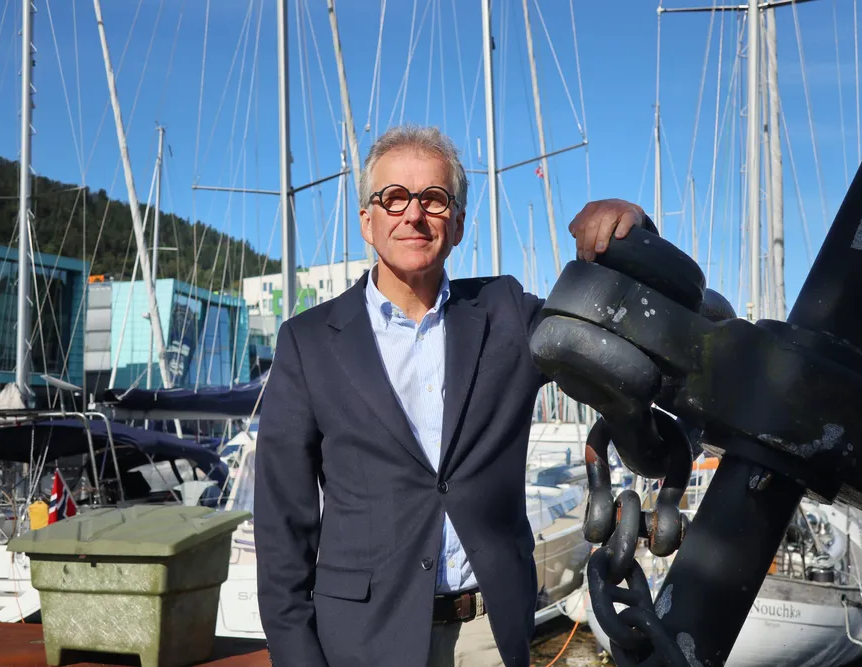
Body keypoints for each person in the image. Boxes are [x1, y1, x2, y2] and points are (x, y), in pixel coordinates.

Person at [254, 124, 651, 667]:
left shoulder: (507, 313)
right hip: (362, 641)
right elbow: (283, 528)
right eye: (394, 198)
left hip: (487, 635)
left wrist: (630, 232)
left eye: (434, 199)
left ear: (458, 223)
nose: (414, 215)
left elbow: (622, 331)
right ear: (367, 220)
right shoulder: (309, 342)